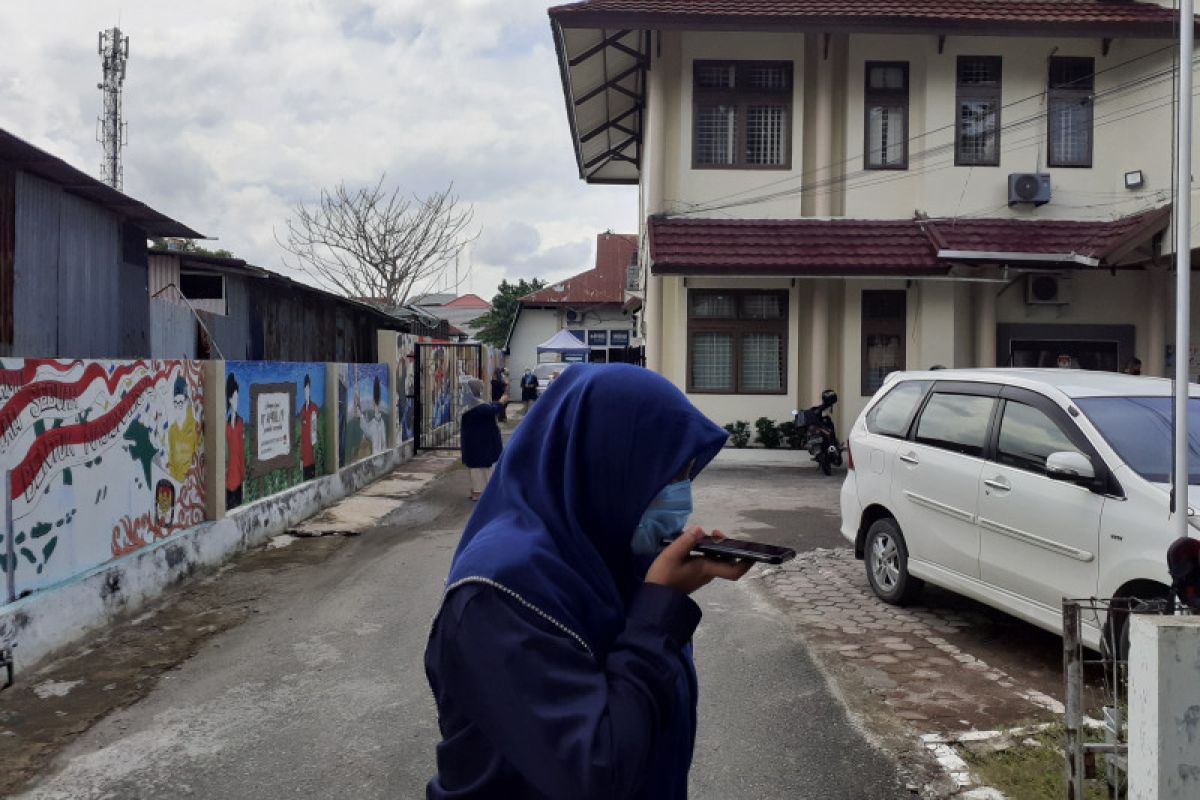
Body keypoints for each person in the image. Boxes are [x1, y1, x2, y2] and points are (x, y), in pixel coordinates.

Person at [426, 364, 752, 799]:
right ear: (603, 459)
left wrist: (656, 586)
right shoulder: (500, 589)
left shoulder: (603, 549)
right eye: (669, 475)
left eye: (687, 473)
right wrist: (659, 608)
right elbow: (598, 772)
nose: (683, 495)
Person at [459, 376, 507, 501]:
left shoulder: (469, 404)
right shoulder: (475, 406)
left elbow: (488, 408)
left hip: (475, 441)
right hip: (481, 442)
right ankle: (480, 492)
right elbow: (491, 410)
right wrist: (501, 402)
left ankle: (478, 490)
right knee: (482, 468)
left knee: (476, 467)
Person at [225, 375, 245, 510]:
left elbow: (242, 453)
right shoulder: (225, 426)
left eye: (238, 398)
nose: (237, 402)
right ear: (230, 400)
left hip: (238, 478)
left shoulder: (241, 423)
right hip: (228, 481)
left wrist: (243, 478)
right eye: (235, 398)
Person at [300, 374, 320, 480]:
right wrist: (301, 458)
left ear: (310, 389)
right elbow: (302, 437)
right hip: (305, 457)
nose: (306, 392)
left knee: (312, 480)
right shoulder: (302, 411)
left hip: (312, 457)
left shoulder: (314, 408)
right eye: (305, 389)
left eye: (308, 388)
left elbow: (316, 431)